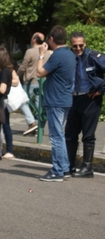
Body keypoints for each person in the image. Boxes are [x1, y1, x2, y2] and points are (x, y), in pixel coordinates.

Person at [36, 25, 76, 182]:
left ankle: (58, 170)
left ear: (51, 39)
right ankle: (64, 168)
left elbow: (40, 72)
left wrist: (41, 55)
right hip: (65, 99)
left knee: (56, 137)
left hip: (55, 100)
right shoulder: (70, 54)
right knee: (60, 135)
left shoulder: (57, 55)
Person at [65, 32, 105, 178]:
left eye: (81, 45)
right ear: (71, 45)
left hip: (90, 99)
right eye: (75, 46)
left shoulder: (94, 57)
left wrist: (101, 90)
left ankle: (87, 167)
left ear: (85, 44)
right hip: (73, 99)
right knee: (70, 134)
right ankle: (69, 165)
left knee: (88, 135)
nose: (78, 48)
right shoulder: (68, 57)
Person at [17, 32, 52, 136]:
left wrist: (16, 76)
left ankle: (32, 123)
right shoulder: (48, 53)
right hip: (43, 82)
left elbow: (23, 67)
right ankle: (38, 129)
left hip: (30, 82)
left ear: (34, 40)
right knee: (39, 107)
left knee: (21, 101)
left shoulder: (30, 51)